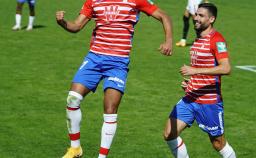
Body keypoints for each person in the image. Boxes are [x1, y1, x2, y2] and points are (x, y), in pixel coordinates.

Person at [56, 0, 173, 157]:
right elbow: (76, 26)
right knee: (72, 99)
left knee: (110, 110)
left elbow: (163, 16)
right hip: (94, 58)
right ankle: (75, 148)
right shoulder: (93, 1)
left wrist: (169, 40)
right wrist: (62, 22)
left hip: (118, 63)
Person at [164, 3, 236, 158]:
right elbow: (203, 68)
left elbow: (226, 68)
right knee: (169, 133)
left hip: (209, 103)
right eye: (196, 14)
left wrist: (194, 71)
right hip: (191, 98)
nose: (195, 18)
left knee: (218, 144)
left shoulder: (217, 40)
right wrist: (191, 83)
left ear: (211, 19)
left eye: (201, 15)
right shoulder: (198, 38)